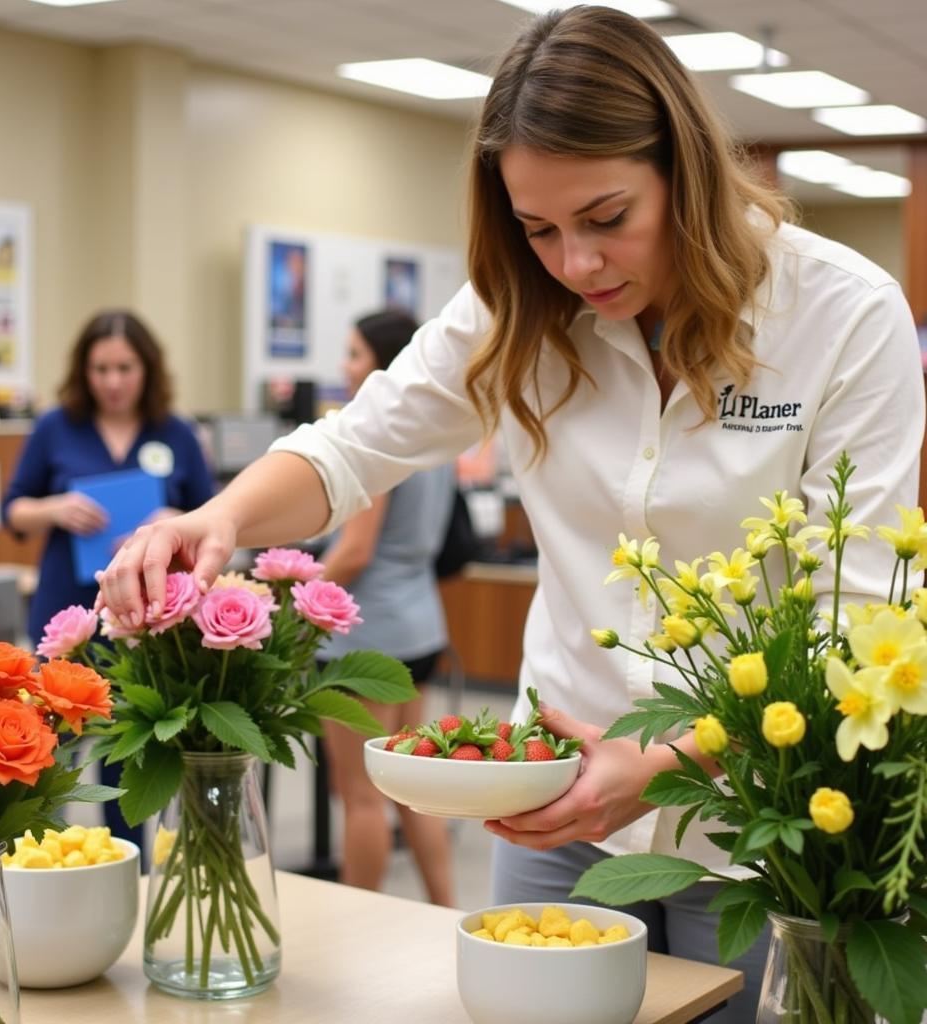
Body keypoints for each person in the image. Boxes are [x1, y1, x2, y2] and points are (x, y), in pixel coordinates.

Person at [95, 8, 923, 1018]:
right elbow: (355, 444)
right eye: (539, 228)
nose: (575, 263)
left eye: (606, 216)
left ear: (686, 169)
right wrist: (214, 519)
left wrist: (664, 764)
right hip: (554, 802)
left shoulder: (844, 313)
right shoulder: (516, 308)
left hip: (755, 817)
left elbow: (854, 622)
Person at [3, 309, 215, 842]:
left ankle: (133, 871)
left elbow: (212, 519)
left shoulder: (176, 432)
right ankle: (48, 863)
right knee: (54, 751)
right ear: (83, 370)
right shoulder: (56, 427)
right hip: (65, 613)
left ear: (147, 369)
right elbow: (13, 511)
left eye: (125, 367)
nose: (113, 382)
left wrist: (172, 522)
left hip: (145, 620)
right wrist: (56, 508)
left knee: (130, 753)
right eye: (100, 369)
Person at [318, 309, 456, 906]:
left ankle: (357, 922)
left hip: (367, 638)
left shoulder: (375, 436)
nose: (345, 368)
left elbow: (354, 551)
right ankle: (448, 911)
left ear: (383, 363)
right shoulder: (436, 434)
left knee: (362, 794)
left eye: (353, 354)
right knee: (414, 787)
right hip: (420, 626)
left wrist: (284, 595)